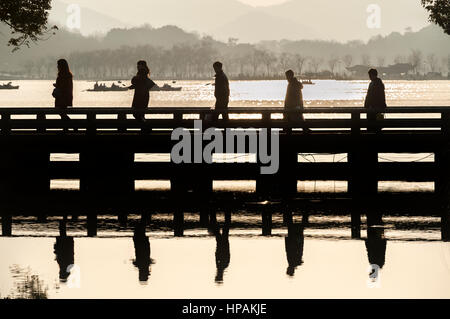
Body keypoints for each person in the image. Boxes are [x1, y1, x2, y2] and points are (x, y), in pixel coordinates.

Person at [364, 68, 387, 133]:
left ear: (373, 75)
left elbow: (377, 96)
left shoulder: (376, 84)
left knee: (374, 126)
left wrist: (368, 105)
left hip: (374, 108)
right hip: (371, 108)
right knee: (373, 126)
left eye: (370, 75)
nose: (369, 77)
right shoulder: (374, 83)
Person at [53, 59, 73, 126]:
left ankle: (73, 126)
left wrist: (57, 86)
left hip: (62, 99)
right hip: (66, 98)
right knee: (62, 114)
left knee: (61, 113)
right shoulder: (68, 75)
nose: (57, 67)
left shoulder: (62, 75)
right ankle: (69, 128)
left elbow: (63, 87)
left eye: (58, 65)